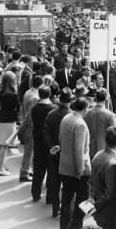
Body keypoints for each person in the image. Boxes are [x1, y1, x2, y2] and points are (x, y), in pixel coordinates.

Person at [59, 97, 91, 229]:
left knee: (67, 196)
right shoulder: (81, 124)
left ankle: (64, 224)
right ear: (84, 109)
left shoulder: (66, 118)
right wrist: (80, 169)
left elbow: (61, 139)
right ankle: (77, 225)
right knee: (83, 196)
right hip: (77, 167)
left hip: (64, 164)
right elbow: (79, 149)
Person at [92, 125, 116, 229]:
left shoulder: (97, 155)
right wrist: (96, 207)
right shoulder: (113, 164)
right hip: (109, 213)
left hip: (99, 209)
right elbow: (110, 194)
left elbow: (91, 181)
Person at [44, 86, 73, 218]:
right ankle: (67, 211)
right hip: (68, 155)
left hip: (54, 154)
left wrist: (52, 147)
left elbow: (46, 132)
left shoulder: (52, 114)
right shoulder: (72, 116)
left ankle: (55, 209)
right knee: (67, 187)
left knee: (55, 184)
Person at [30, 85, 57, 202]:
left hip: (38, 141)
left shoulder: (34, 108)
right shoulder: (53, 108)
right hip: (50, 142)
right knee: (51, 170)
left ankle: (35, 193)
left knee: (38, 169)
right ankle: (50, 196)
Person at [0, 70, 20, 176]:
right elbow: (18, 108)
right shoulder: (13, 94)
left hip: (2, 118)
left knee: (1, 144)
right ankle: (1, 168)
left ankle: (0, 166)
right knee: (5, 145)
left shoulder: (1, 92)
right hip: (10, 120)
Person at [86, 89, 116, 159]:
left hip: (89, 148)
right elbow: (114, 133)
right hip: (104, 149)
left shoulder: (87, 113)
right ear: (107, 98)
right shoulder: (109, 114)